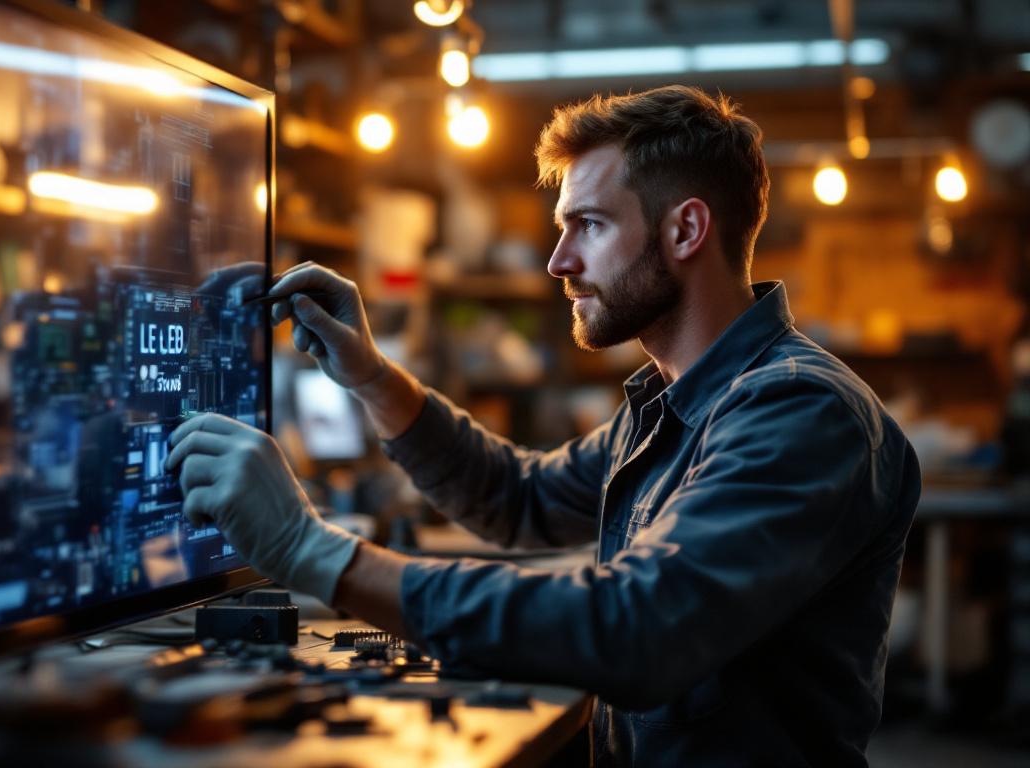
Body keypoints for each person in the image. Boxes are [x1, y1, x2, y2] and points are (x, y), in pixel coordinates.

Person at [166, 85, 920, 766]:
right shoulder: (673, 404)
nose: (559, 261)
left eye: (587, 225)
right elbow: (519, 498)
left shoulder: (800, 410)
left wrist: (310, 550)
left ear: (686, 230)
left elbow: (636, 629)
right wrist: (370, 376)